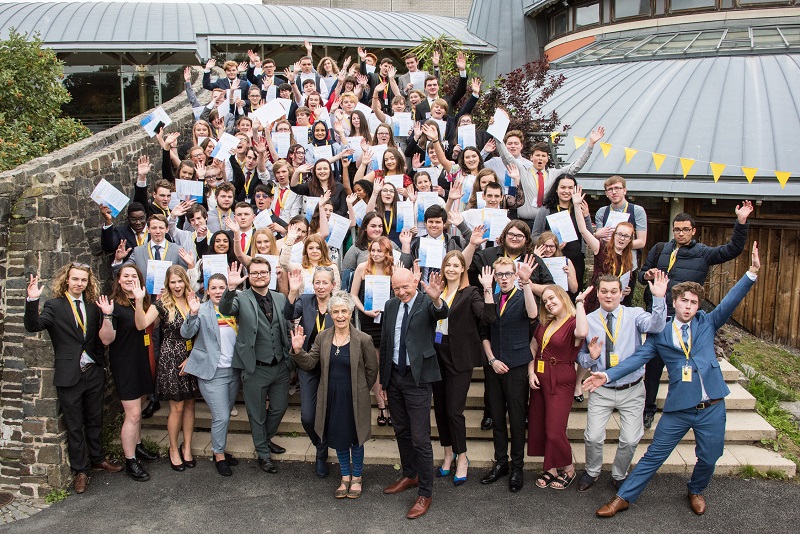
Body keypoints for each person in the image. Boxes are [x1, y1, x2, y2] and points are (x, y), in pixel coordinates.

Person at [587, 243, 761, 517]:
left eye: (694, 302)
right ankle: (622, 497)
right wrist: (607, 374)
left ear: (698, 305)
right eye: (684, 301)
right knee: (654, 456)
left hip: (712, 406)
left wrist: (750, 273)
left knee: (709, 456)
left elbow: (730, 301)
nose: (689, 306)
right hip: (680, 409)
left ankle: (696, 489)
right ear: (674, 301)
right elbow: (636, 359)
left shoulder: (708, 322)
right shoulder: (662, 335)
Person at [639, 201, 752, 430]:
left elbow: (732, 249)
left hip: (686, 321)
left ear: (693, 231)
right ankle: (649, 408)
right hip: (660, 318)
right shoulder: (660, 249)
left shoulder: (703, 253)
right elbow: (641, 275)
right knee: (652, 367)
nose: (680, 233)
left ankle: (685, 409)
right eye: (677, 229)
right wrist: (647, 275)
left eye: (685, 229)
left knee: (685, 367)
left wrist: (741, 222)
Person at [24, 264, 123, 494]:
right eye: (75, 279)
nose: (79, 283)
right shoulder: (54, 306)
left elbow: (105, 338)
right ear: (66, 280)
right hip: (69, 375)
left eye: (83, 280)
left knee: (95, 418)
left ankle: (98, 458)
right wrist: (31, 301)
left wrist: (108, 315)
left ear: (88, 283)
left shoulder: (93, 306)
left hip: (93, 372)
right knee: (75, 425)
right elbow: (33, 326)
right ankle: (81, 470)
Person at [576, 272, 668, 493]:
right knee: (594, 436)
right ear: (597, 294)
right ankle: (592, 471)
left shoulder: (635, 314)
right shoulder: (588, 320)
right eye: (604, 291)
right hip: (601, 389)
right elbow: (579, 357)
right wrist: (592, 358)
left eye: (613, 291)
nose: (609, 296)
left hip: (632, 389)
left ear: (621, 293)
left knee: (629, 439)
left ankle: (619, 474)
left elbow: (656, 326)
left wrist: (658, 298)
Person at [290, 291, 379, 499]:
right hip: (331, 396)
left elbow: (371, 371)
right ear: (330, 313)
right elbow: (311, 363)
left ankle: (357, 477)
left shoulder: (363, 339)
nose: (340, 315)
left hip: (354, 397)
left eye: (344, 311)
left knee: (356, 439)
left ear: (350, 313)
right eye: (336, 311)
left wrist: (359, 389)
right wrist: (297, 351)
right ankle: (345, 477)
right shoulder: (322, 337)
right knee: (339, 438)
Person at [380, 267, 448, 520]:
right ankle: (410, 474)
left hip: (418, 378)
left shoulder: (427, 301)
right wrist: (383, 381)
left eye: (405, 287)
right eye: (396, 288)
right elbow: (386, 343)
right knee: (401, 430)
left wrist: (436, 297)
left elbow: (442, 312)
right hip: (395, 376)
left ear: (415, 281)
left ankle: (425, 492)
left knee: (420, 438)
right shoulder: (390, 305)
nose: (401, 292)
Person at [219, 258, 292, 474]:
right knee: (256, 413)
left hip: (280, 365)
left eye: (263, 272)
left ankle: (264, 439)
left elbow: (286, 324)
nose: (259, 276)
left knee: (279, 408)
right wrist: (231, 288)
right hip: (255, 366)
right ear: (249, 276)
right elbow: (225, 308)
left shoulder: (280, 298)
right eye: (255, 273)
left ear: (270, 274)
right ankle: (263, 454)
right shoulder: (241, 299)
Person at [434, 253, 495, 486]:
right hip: (436, 353)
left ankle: (462, 457)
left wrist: (488, 289)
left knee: (454, 411)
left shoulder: (471, 293)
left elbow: (487, 317)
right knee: (440, 409)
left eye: (456, 265)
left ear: (463, 269)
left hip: (458, 356)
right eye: (447, 264)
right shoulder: (437, 291)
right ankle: (448, 454)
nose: (451, 268)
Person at [479, 256, 539, 492]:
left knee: (516, 418)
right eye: (499, 274)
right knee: (496, 416)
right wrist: (491, 359)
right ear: (495, 276)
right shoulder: (491, 298)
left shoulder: (523, 293)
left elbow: (533, 314)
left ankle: (517, 467)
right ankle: (501, 463)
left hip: (516, 366)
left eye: (507, 274)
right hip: (494, 367)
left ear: (514, 275)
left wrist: (526, 284)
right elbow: (484, 330)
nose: (503, 278)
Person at [133, 265, 200, 472]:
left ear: (185, 282)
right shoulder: (161, 304)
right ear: (167, 284)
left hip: (191, 356)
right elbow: (141, 324)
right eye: (173, 282)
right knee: (177, 407)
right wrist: (138, 300)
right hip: (171, 357)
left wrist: (194, 357)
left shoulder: (193, 300)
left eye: (180, 281)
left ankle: (186, 446)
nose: (177, 285)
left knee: (190, 405)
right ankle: (173, 448)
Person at [97, 265, 159, 482]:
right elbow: (106, 339)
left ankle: (138, 445)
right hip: (126, 364)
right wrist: (106, 316)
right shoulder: (113, 305)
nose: (130, 279)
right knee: (132, 414)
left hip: (143, 360)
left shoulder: (140, 300)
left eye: (134, 276)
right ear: (119, 280)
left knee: (138, 408)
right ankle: (130, 460)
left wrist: (143, 300)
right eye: (126, 276)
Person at [528, 284, 591, 491]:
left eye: (552, 298)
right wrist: (531, 372)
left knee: (555, 429)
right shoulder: (546, 323)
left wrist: (580, 303)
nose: (548, 303)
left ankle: (569, 468)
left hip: (561, 379)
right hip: (540, 377)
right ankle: (551, 467)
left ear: (563, 297)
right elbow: (533, 348)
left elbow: (582, 332)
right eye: (545, 300)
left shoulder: (573, 322)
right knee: (542, 425)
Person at [180, 274, 242, 477]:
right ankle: (218, 455)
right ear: (207, 290)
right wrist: (192, 313)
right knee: (221, 416)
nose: (218, 291)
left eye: (222, 287)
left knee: (225, 413)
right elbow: (187, 333)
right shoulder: (202, 310)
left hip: (233, 370)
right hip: (212, 372)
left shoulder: (235, 307)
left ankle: (220, 447)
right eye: (213, 288)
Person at [485, 127, 604, 229]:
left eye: (543, 156)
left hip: (547, 222)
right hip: (525, 222)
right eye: (537, 155)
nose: (540, 158)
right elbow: (506, 157)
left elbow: (576, 166)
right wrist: (497, 133)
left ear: (547, 159)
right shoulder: (522, 170)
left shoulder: (555, 174)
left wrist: (591, 144)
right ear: (531, 157)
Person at [284, 267, 336, 478]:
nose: (321, 286)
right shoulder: (304, 300)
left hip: (333, 366)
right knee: (307, 417)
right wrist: (293, 292)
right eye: (317, 282)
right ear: (312, 284)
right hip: (308, 365)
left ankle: (322, 453)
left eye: (325, 282)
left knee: (330, 414)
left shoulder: (339, 303)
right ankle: (321, 448)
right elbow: (288, 314)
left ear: (333, 285)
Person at [350, 236, 396, 426]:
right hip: (370, 320)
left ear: (387, 253)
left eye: (380, 251)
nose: (376, 254)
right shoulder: (362, 268)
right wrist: (364, 310)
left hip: (389, 321)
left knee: (389, 364)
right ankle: (381, 405)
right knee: (375, 365)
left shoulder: (394, 269)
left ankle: (392, 404)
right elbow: (353, 294)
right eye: (373, 250)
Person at [593, 175, 648, 253]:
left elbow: (641, 242)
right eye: (610, 189)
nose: (614, 192)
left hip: (629, 260)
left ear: (624, 190)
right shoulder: (602, 212)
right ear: (606, 193)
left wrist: (618, 244)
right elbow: (600, 240)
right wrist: (596, 235)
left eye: (617, 188)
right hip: (607, 259)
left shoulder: (637, 210)